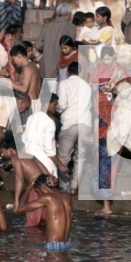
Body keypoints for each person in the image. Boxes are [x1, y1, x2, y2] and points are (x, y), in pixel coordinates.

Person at [89, 46, 127, 215]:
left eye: (109, 59)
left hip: (116, 127)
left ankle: (107, 207)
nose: (107, 62)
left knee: (108, 166)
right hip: (105, 128)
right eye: (104, 59)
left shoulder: (120, 71)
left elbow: (127, 91)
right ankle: (106, 205)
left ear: (114, 58)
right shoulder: (97, 71)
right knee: (106, 166)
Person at [0, 132, 50, 226]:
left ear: (9, 149)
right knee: (44, 222)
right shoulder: (30, 156)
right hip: (46, 187)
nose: (2, 155)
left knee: (32, 224)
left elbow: (19, 177)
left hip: (36, 188)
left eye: (2, 151)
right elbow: (47, 173)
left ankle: (33, 240)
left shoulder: (15, 158)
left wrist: (16, 201)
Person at [57, 61, 92, 195]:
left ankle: (64, 186)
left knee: (63, 158)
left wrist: (57, 111)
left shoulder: (64, 84)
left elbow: (62, 105)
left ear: (67, 73)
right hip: (85, 123)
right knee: (80, 157)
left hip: (70, 123)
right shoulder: (87, 86)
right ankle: (74, 187)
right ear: (81, 72)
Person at [15, 173, 72, 251]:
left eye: (37, 192)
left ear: (43, 187)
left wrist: (28, 188)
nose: (38, 196)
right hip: (66, 244)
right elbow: (59, 189)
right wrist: (56, 183)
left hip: (53, 245)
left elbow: (19, 209)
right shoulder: (66, 196)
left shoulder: (48, 198)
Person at [22, 95, 67, 177]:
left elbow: (24, 139)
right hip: (43, 163)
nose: (56, 107)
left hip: (29, 161)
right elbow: (48, 149)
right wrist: (61, 165)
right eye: (54, 105)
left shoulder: (31, 117)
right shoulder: (49, 122)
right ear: (47, 105)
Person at [34, 2, 75, 79]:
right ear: (68, 14)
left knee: (46, 89)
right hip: (62, 65)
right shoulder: (71, 27)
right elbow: (70, 46)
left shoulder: (47, 25)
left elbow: (38, 44)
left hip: (46, 65)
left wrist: (47, 48)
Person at [9, 45, 41, 110]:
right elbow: (23, 83)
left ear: (19, 57)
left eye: (13, 60)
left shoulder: (27, 68)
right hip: (36, 103)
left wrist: (7, 83)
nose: (13, 63)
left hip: (30, 105)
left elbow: (24, 89)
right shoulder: (33, 64)